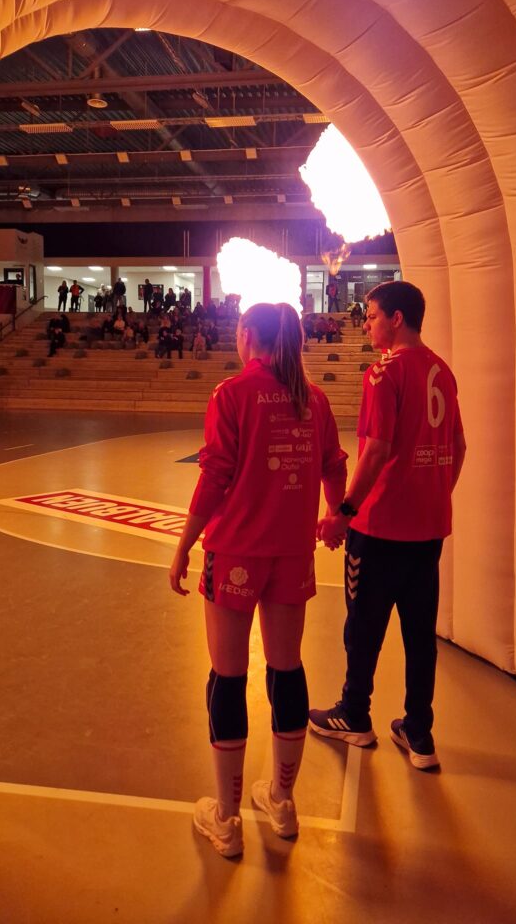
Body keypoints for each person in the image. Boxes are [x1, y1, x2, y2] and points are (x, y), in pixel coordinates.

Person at [169, 302, 347, 858]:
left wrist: (185, 543)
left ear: (247, 335)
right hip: (291, 555)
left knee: (227, 677)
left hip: (236, 554)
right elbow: (335, 464)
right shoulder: (312, 398)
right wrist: (335, 515)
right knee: (286, 670)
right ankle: (283, 803)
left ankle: (226, 819)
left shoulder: (231, 394)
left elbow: (215, 477)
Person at [309, 281, 466, 770]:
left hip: (379, 531)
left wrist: (343, 512)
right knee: (420, 635)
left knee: (363, 627)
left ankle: (354, 714)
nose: (366, 324)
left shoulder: (384, 372)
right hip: (429, 530)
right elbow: (458, 448)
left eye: (372, 316)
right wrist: (434, 494)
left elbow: (375, 452)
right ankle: (419, 733)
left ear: (397, 319)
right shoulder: (442, 371)